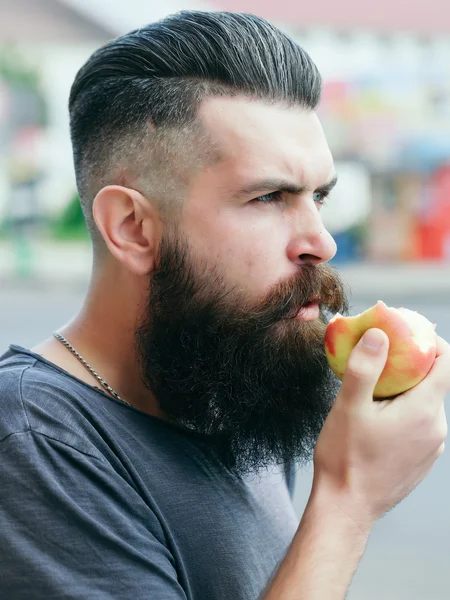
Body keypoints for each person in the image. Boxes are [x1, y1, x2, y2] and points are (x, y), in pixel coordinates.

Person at [0, 11, 448, 600]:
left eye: (318, 196)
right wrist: (347, 501)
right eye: (269, 197)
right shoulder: (35, 444)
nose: (323, 241)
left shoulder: (226, 382)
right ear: (133, 228)